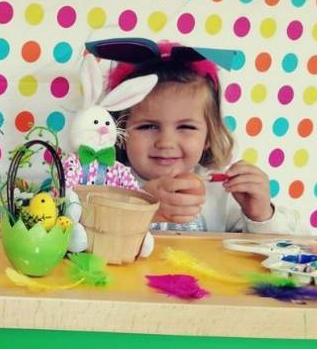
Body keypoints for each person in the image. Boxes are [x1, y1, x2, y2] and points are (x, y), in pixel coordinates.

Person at [105, 43, 305, 234]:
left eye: (186, 127)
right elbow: (90, 238)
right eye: (148, 126)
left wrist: (261, 215)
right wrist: (140, 206)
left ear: (209, 135)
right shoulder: (106, 186)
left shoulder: (224, 193)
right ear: (119, 132)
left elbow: (285, 248)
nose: (166, 142)